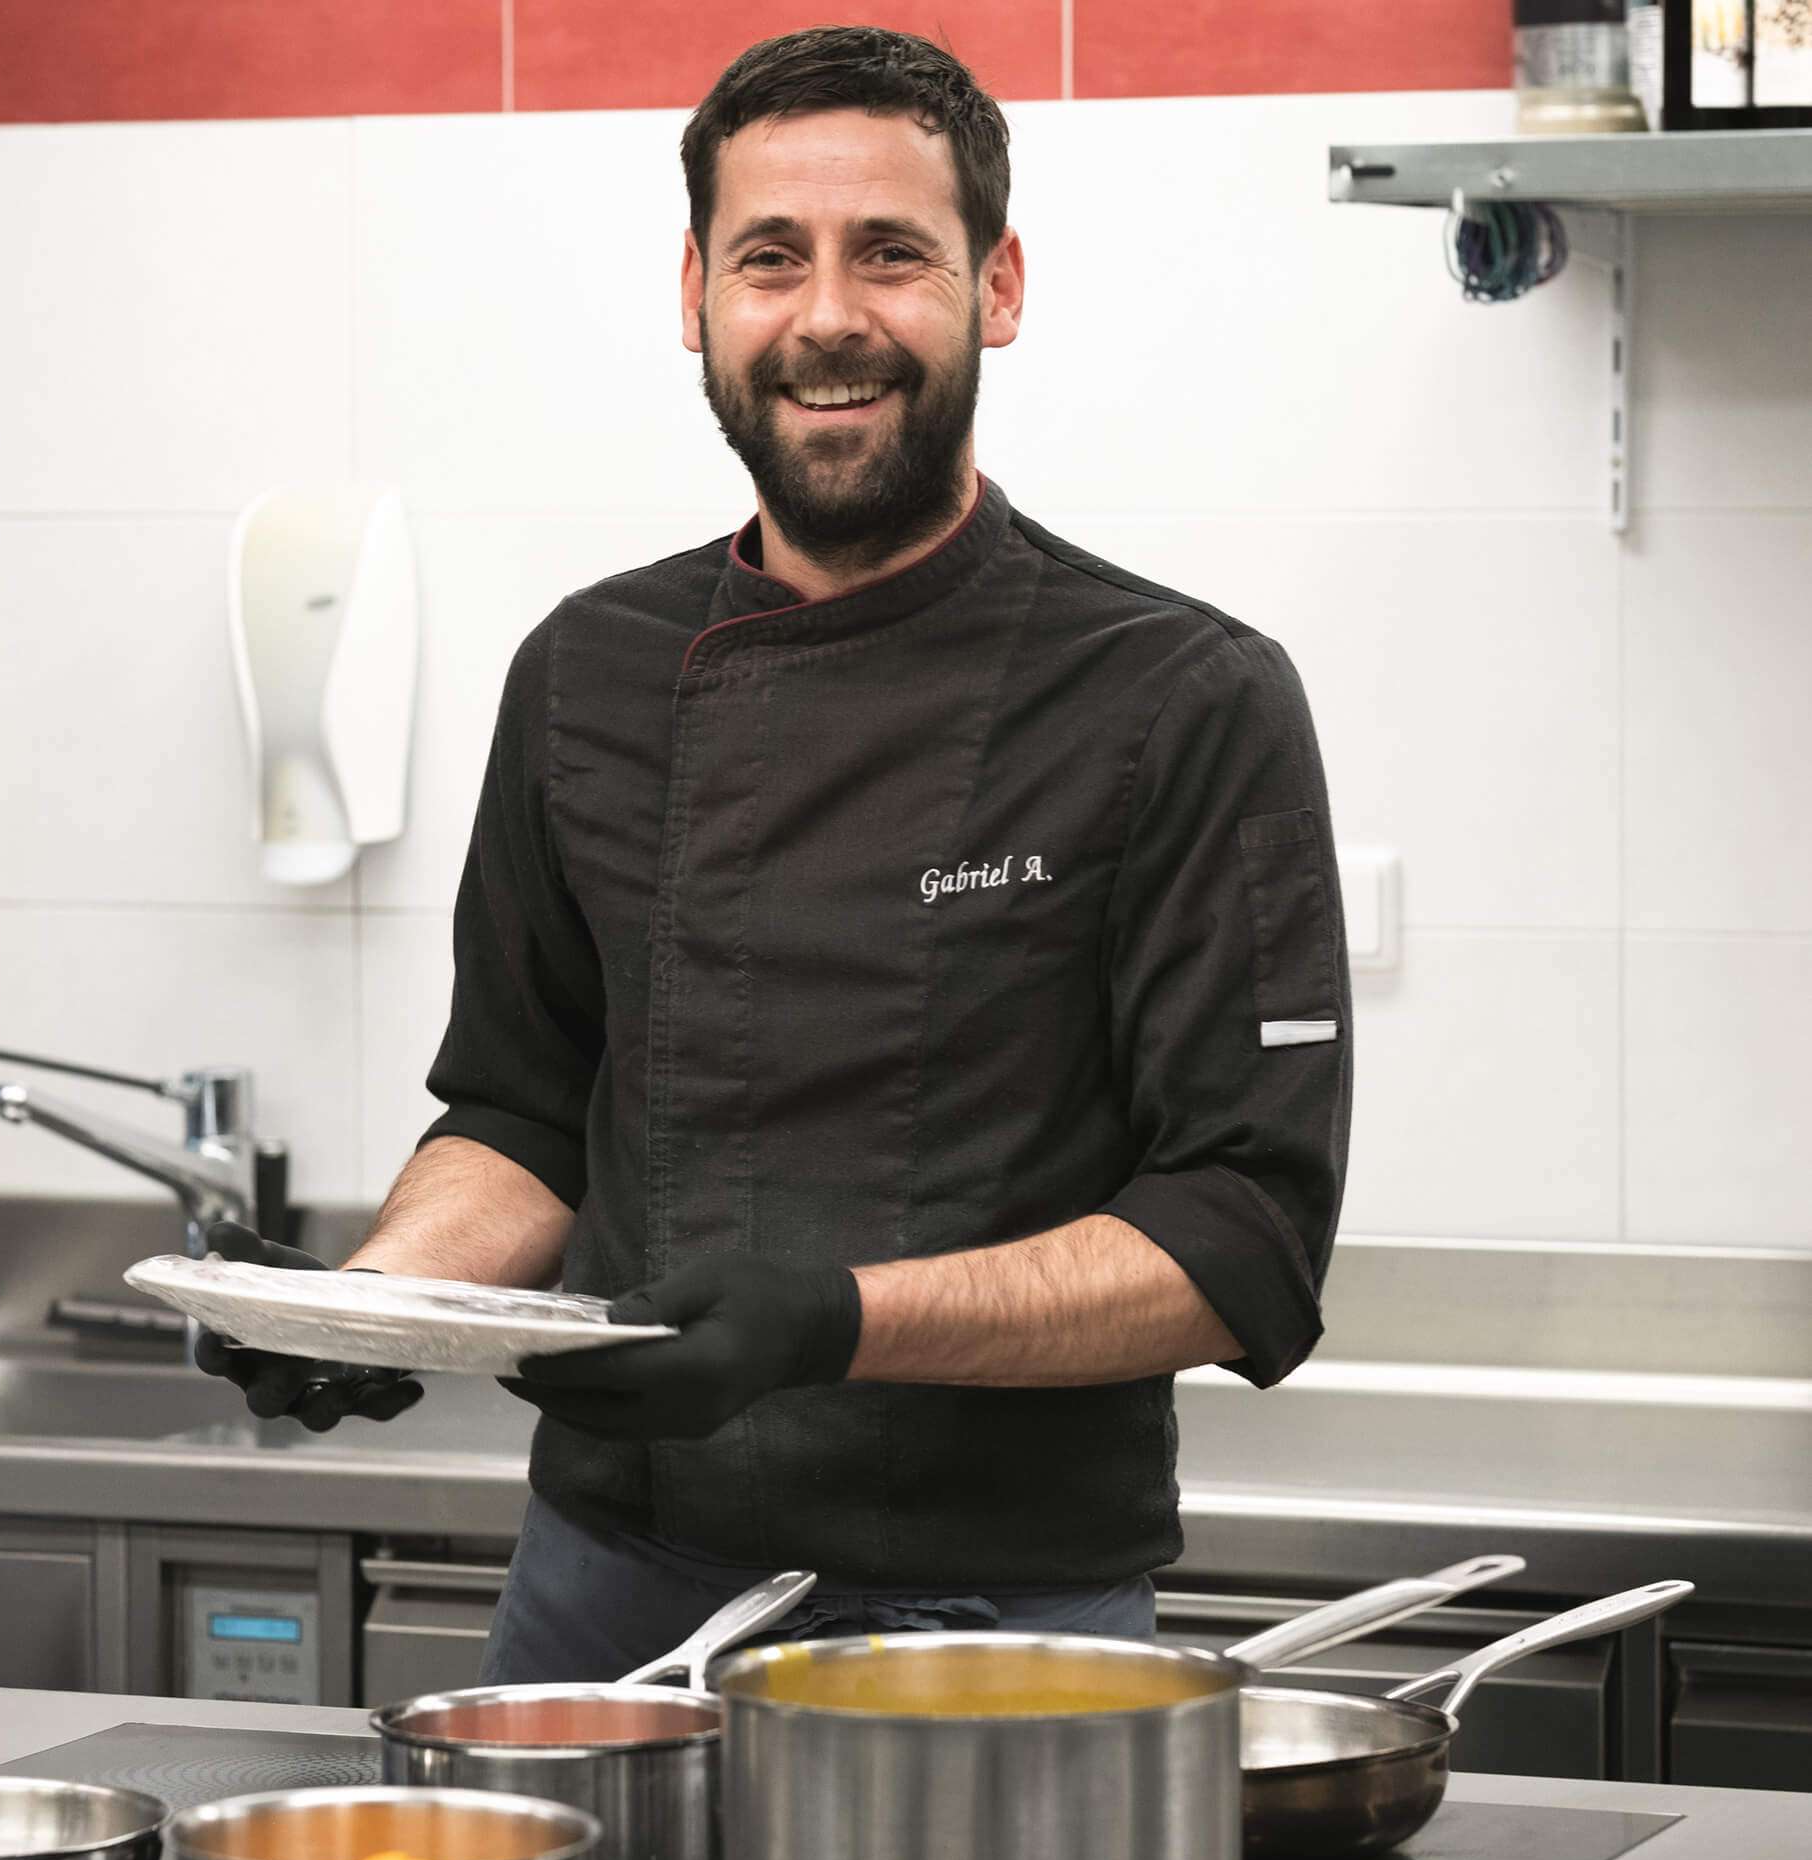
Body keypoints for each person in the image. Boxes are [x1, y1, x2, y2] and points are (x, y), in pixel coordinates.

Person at [199, 25, 1350, 1683]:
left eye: (892, 253)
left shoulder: (1180, 697)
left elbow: (1241, 1240)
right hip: (605, 1590)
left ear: (996, 285)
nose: (827, 317)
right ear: (695, 298)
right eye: (769, 259)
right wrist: (376, 1306)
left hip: (1001, 1624)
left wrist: (841, 1323)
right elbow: (526, 1113)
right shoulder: (586, 673)